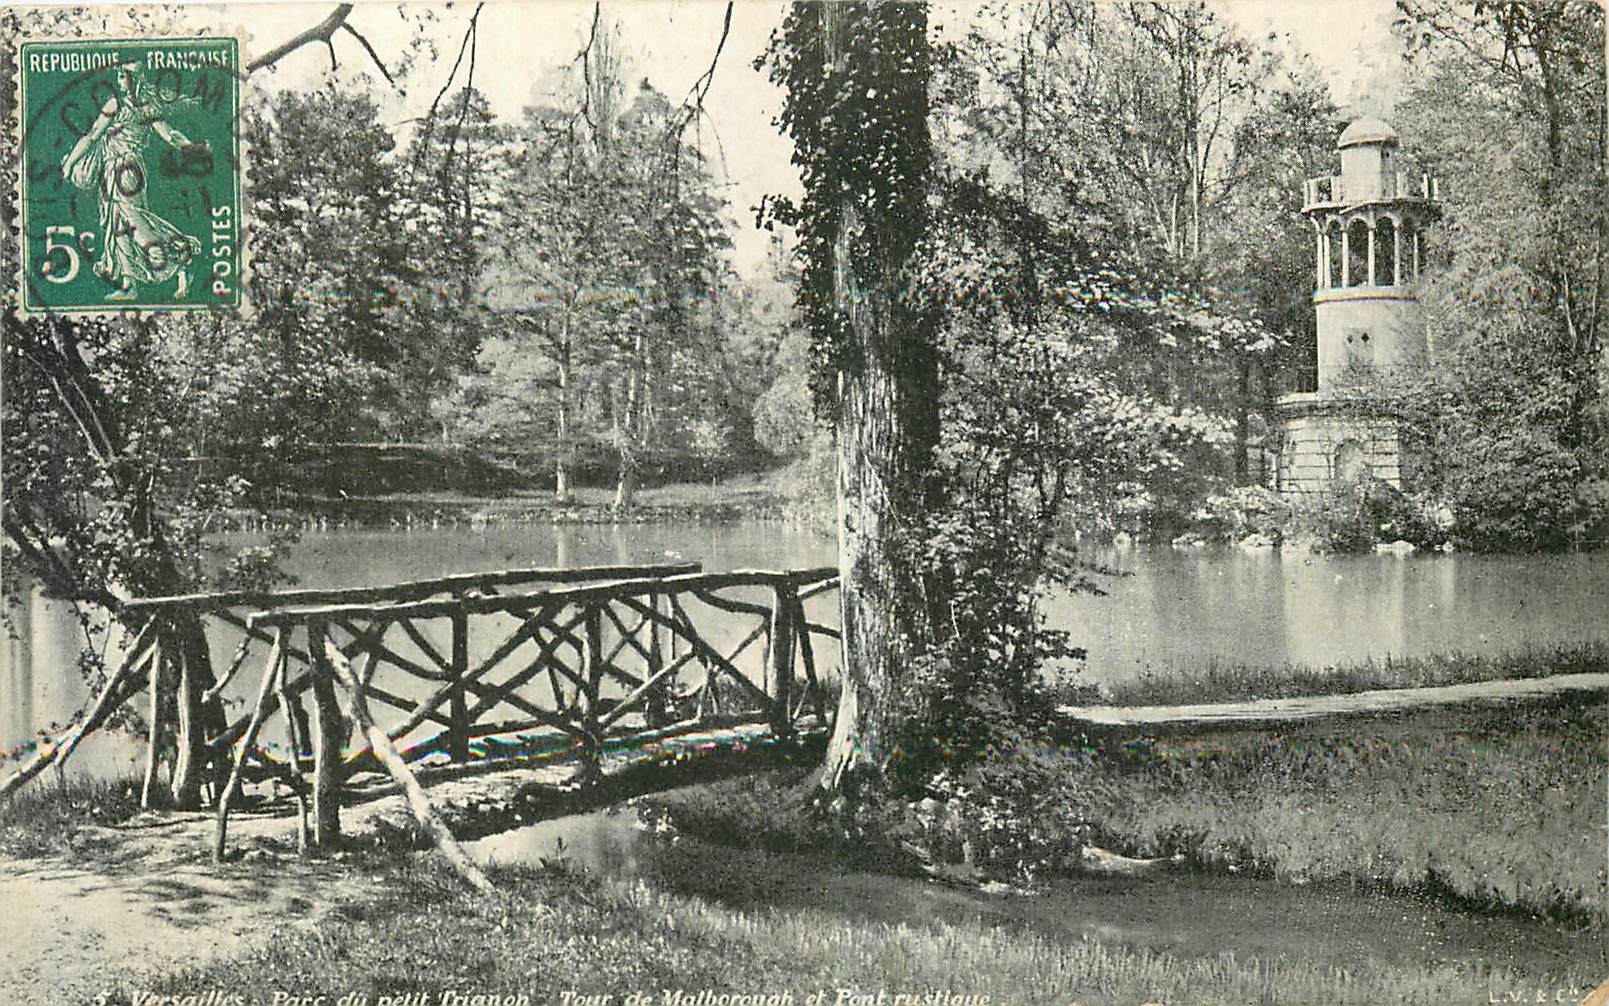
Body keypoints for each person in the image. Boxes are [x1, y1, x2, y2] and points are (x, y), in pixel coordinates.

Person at [60, 63, 204, 300]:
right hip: (109, 170)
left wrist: (190, 147)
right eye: (118, 75)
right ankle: (129, 286)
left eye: (123, 75)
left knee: (135, 224)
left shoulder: (145, 108)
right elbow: (92, 136)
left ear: (134, 78)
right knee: (118, 226)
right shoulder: (114, 104)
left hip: (128, 170)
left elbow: (169, 134)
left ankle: (180, 264)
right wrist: (69, 164)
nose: (119, 80)